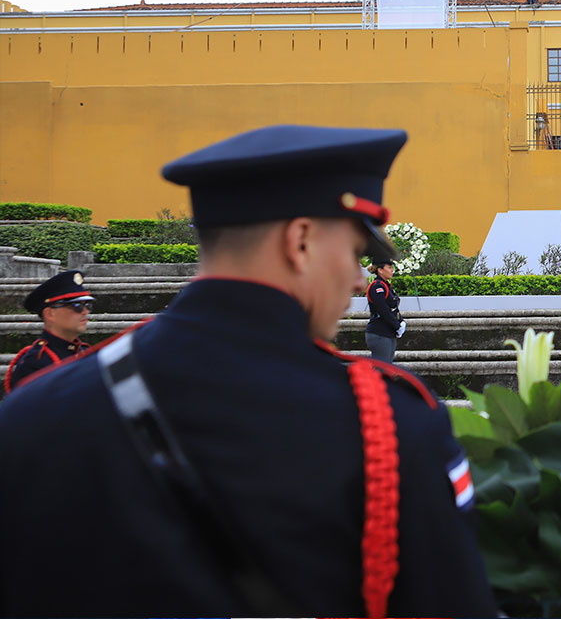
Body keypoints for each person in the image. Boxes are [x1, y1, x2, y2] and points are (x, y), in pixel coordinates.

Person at [0, 125, 497, 617]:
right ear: (300, 241)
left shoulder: (31, 412)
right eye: (353, 253)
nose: (354, 280)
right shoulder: (390, 425)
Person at [3, 269, 94, 394]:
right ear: (50, 314)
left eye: (87, 305)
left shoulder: (84, 352)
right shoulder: (35, 362)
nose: (85, 312)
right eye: (77, 306)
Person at [365, 257, 406, 362]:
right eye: (389, 267)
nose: (392, 270)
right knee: (382, 369)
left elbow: (393, 309)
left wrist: (401, 321)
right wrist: (397, 326)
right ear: (380, 270)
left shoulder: (386, 286)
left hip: (388, 332)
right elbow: (383, 310)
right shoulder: (377, 287)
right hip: (380, 332)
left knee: (388, 368)